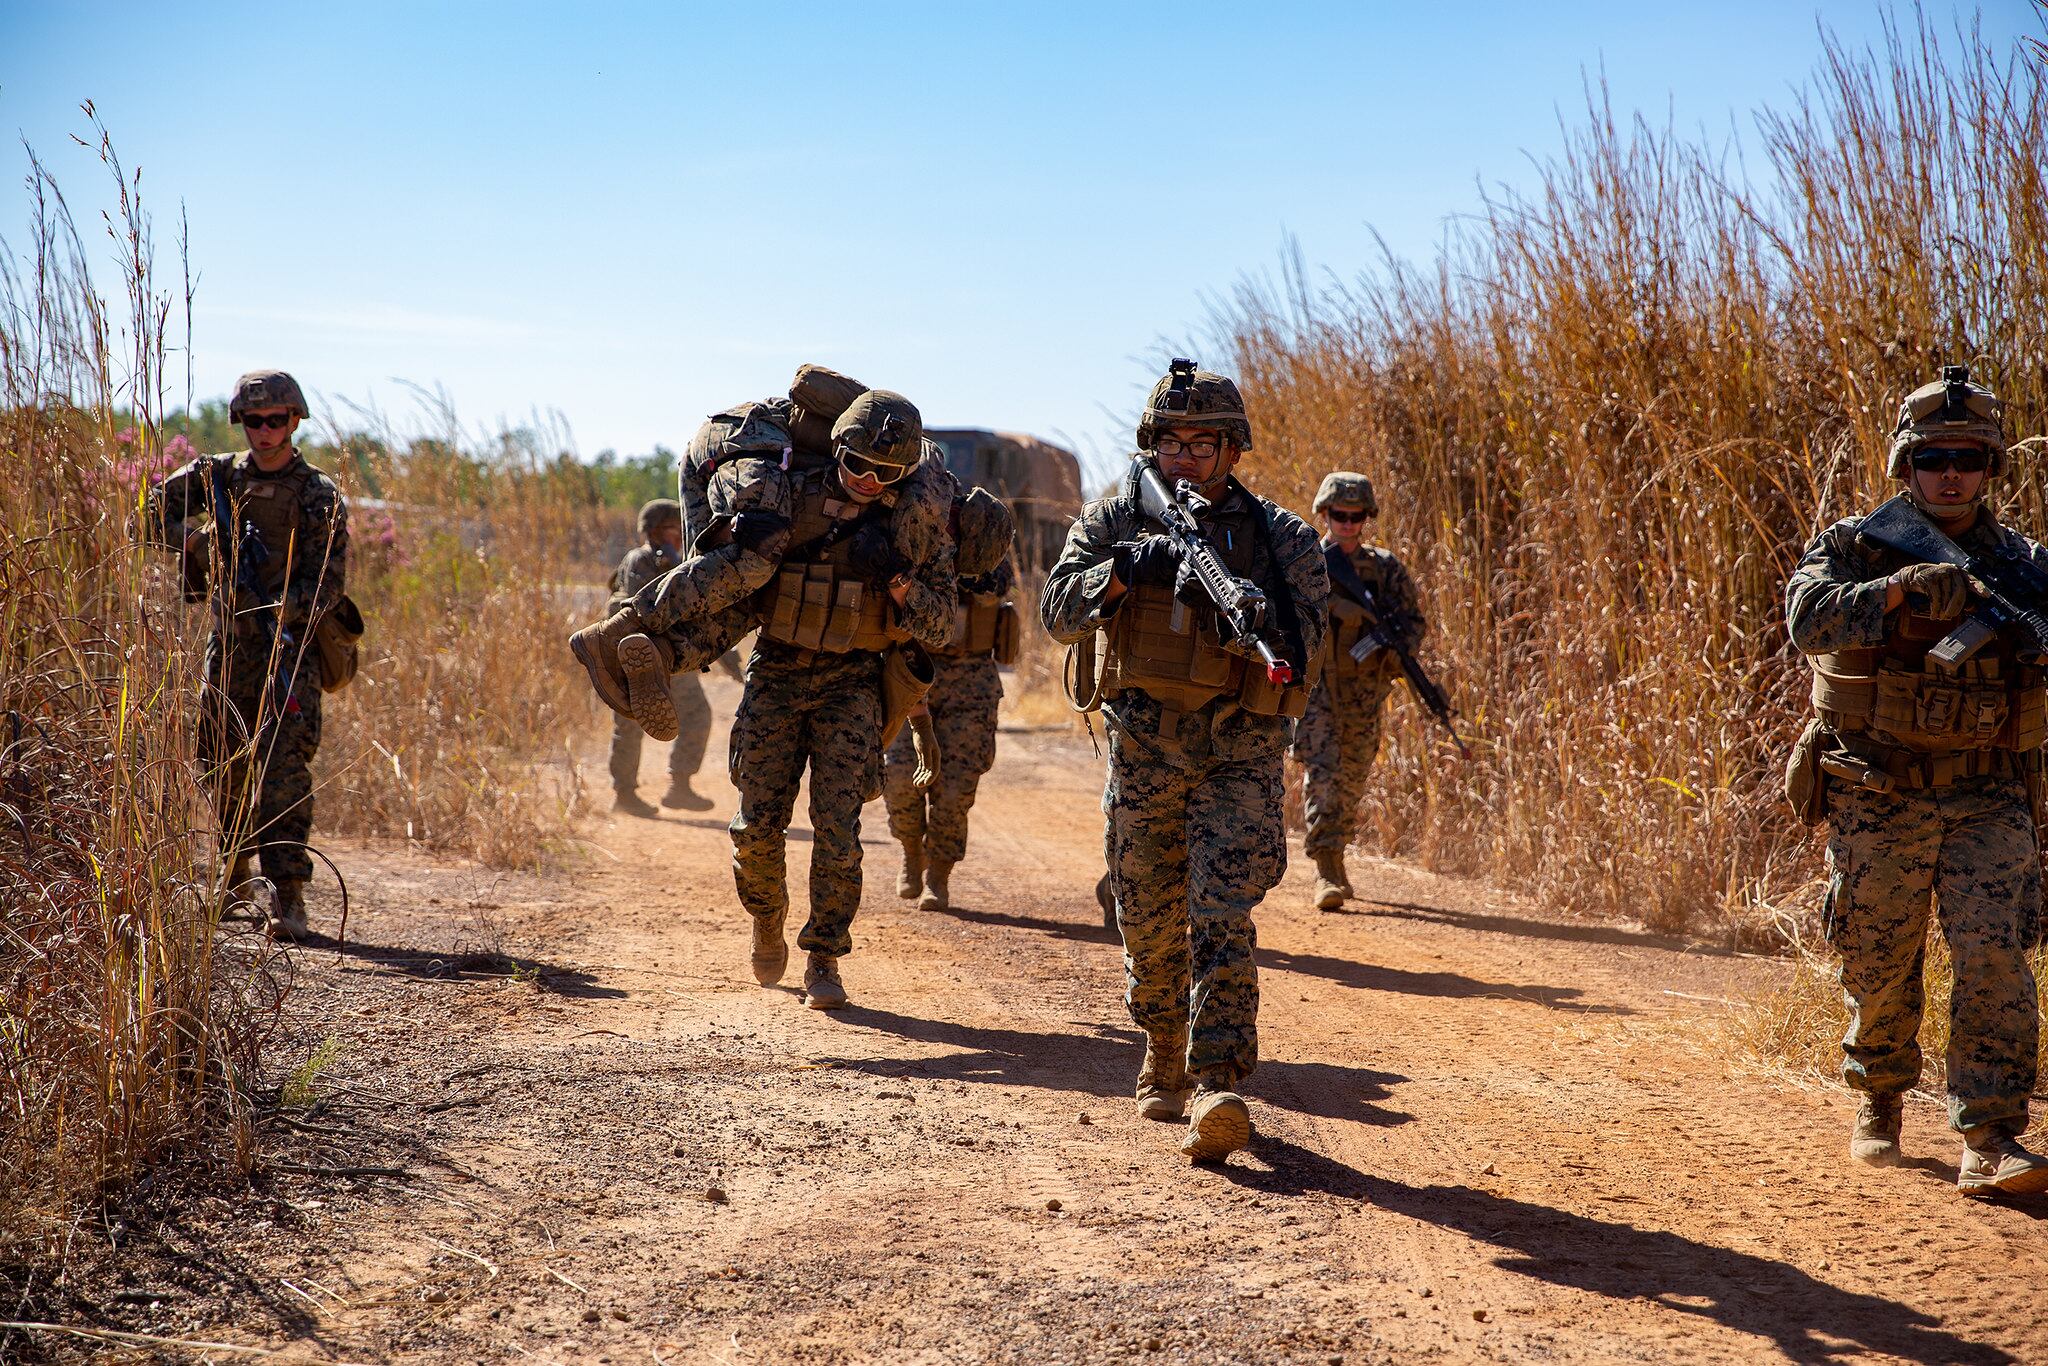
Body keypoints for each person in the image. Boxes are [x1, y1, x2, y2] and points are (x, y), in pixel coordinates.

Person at [571, 385, 957, 1009]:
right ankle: (766, 916)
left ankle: (825, 958)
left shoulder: (913, 530)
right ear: (835, 452)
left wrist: (897, 578)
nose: (866, 480)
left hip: (853, 682)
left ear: (905, 473)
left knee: (839, 828)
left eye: (885, 472)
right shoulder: (790, 501)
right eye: (856, 464)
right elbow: (739, 591)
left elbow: (943, 627)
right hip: (776, 670)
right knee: (756, 827)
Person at [1041, 359, 1327, 1162]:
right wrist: (1124, 572)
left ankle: (1217, 1084)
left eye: (1205, 443)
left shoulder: (1285, 540)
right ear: (1151, 447)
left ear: (1233, 451)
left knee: (1221, 910)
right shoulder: (1111, 520)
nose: (1186, 457)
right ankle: (1163, 1047)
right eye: (1171, 442)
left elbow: (1308, 658)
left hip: (1238, 754)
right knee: (1150, 919)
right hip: (1145, 755)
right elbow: (1056, 614)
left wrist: (1253, 611)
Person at [1786, 364, 2048, 1196]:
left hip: (1990, 793)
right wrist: (1895, 594)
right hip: (1880, 787)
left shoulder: (2027, 565)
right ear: (1905, 464)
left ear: (1991, 468)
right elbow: (1804, 618)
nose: (1951, 473)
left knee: (1996, 956)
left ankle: (1992, 1131)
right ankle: (1880, 1095)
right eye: (1933, 456)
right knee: (1878, 952)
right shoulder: (1857, 545)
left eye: (1969, 458)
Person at [146, 369, 350, 941]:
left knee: (284, 770)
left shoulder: (318, 494)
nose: (264, 431)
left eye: (276, 421)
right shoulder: (216, 478)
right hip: (229, 647)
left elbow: (329, 582)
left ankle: (288, 896)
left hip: (290, 651)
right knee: (217, 760)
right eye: (255, 421)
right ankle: (234, 874)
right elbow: (146, 514)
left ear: (294, 421)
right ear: (242, 422)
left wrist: (285, 610)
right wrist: (195, 543)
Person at [1291, 471, 1426, 910]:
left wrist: (1389, 647)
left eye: (1355, 516)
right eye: (1338, 515)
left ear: (1366, 518)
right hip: (1318, 691)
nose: (1347, 524)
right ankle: (1327, 868)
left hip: (1365, 692)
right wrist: (1335, 609)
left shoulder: (1384, 568)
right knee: (1324, 776)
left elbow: (1413, 624)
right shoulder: (1306, 560)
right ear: (1324, 514)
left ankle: (1338, 853)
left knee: (1351, 780)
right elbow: (1285, 615)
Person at [885, 488, 1018, 911]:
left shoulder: (989, 549)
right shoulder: (914, 538)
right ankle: (911, 851)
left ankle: (938, 874)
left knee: (957, 785)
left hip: (971, 680)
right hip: (913, 669)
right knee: (901, 775)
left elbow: (992, 585)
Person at [605, 499, 716, 817]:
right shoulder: (640, 560)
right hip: (636, 657)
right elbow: (646, 611)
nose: (678, 535)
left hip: (670, 658)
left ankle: (679, 787)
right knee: (629, 724)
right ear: (654, 532)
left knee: (697, 716)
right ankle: (624, 794)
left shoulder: (675, 560)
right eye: (671, 528)